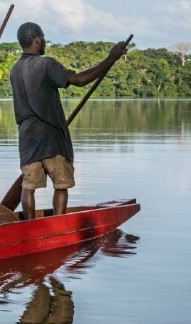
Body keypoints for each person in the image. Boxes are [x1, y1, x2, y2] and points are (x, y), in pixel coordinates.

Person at [10, 22, 129, 218]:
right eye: (44, 37)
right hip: (51, 136)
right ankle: (58, 222)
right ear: (37, 40)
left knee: (28, 186)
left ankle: (29, 226)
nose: (45, 41)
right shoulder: (46, 64)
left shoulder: (15, 69)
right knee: (61, 184)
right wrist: (110, 58)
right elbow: (80, 80)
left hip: (27, 137)